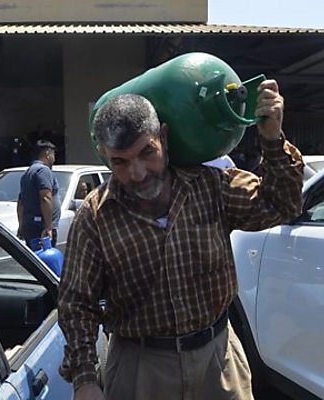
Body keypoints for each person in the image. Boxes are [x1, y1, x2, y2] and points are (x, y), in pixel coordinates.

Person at [58, 80, 304, 400]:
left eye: (147, 153)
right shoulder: (95, 217)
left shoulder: (211, 186)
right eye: (121, 162)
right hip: (139, 370)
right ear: (105, 155)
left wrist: (272, 138)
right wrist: (85, 379)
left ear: (163, 136)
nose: (138, 173)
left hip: (218, 360)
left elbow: (282, 205)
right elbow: (77, 303)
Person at [17, 139, 61, 250]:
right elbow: (45, 198)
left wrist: (21, 225)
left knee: (33, 258)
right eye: (53, 154)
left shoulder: (28, 173)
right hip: (41, 228)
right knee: (45, 259)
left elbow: (21, 203)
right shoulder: (43, 171)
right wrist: (48, 227)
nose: (54, 158)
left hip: (31, 226)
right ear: (47, 154)